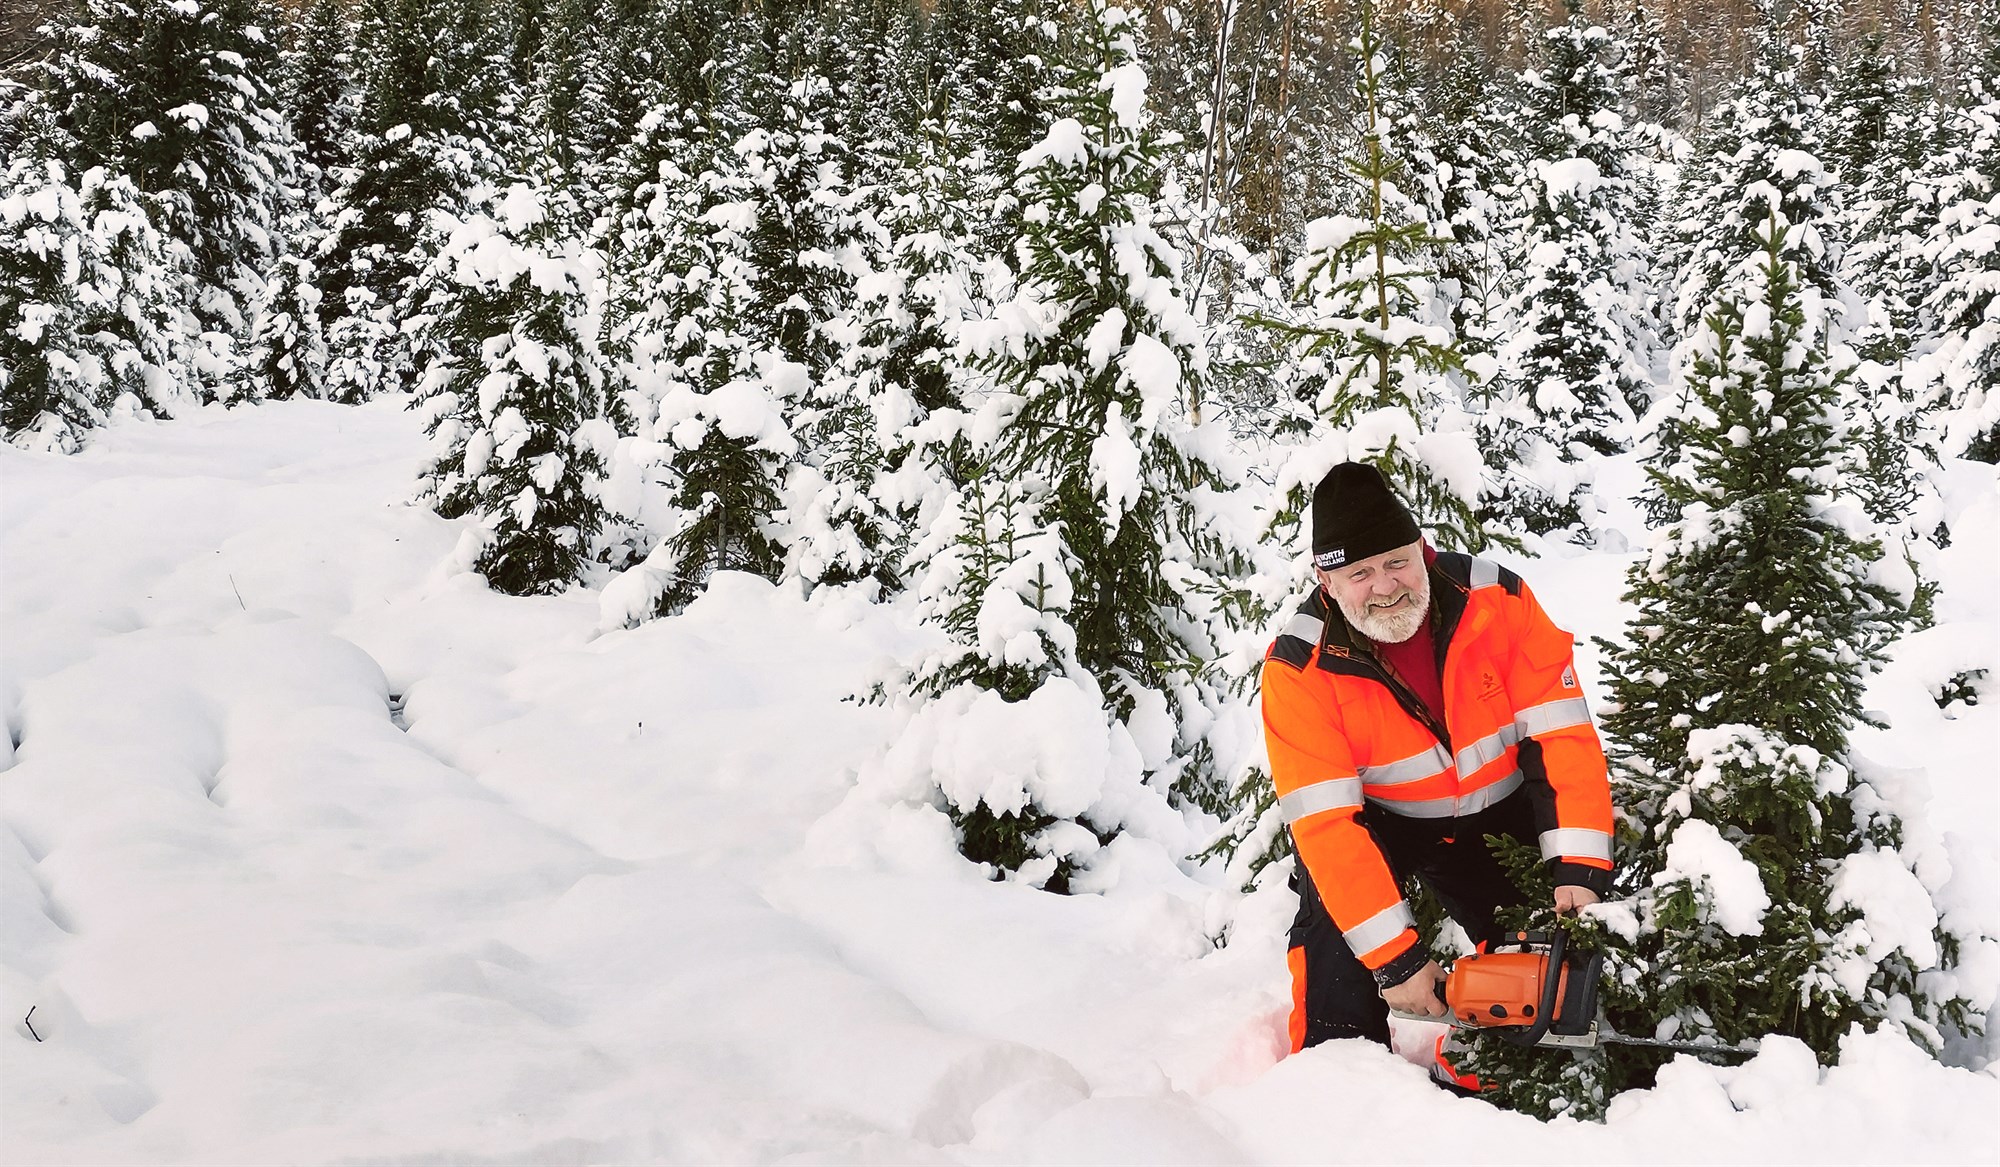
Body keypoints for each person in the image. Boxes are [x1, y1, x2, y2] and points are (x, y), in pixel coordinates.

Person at [1261, 462, 1615, 1074]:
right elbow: (1327, 829)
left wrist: (1578, 869)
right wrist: (1395, 962)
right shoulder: (1300, 668)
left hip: (1499, 811)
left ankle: (1496, 1066)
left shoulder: (1498, 599)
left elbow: (1562, 738)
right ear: (1327, 580)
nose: (1386, 586)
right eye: (1360, 573)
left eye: (1397, 561)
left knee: (1549, 954)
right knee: (1335, 929)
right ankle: (1336, 1074)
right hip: (1385, 826)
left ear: (1422, 548)